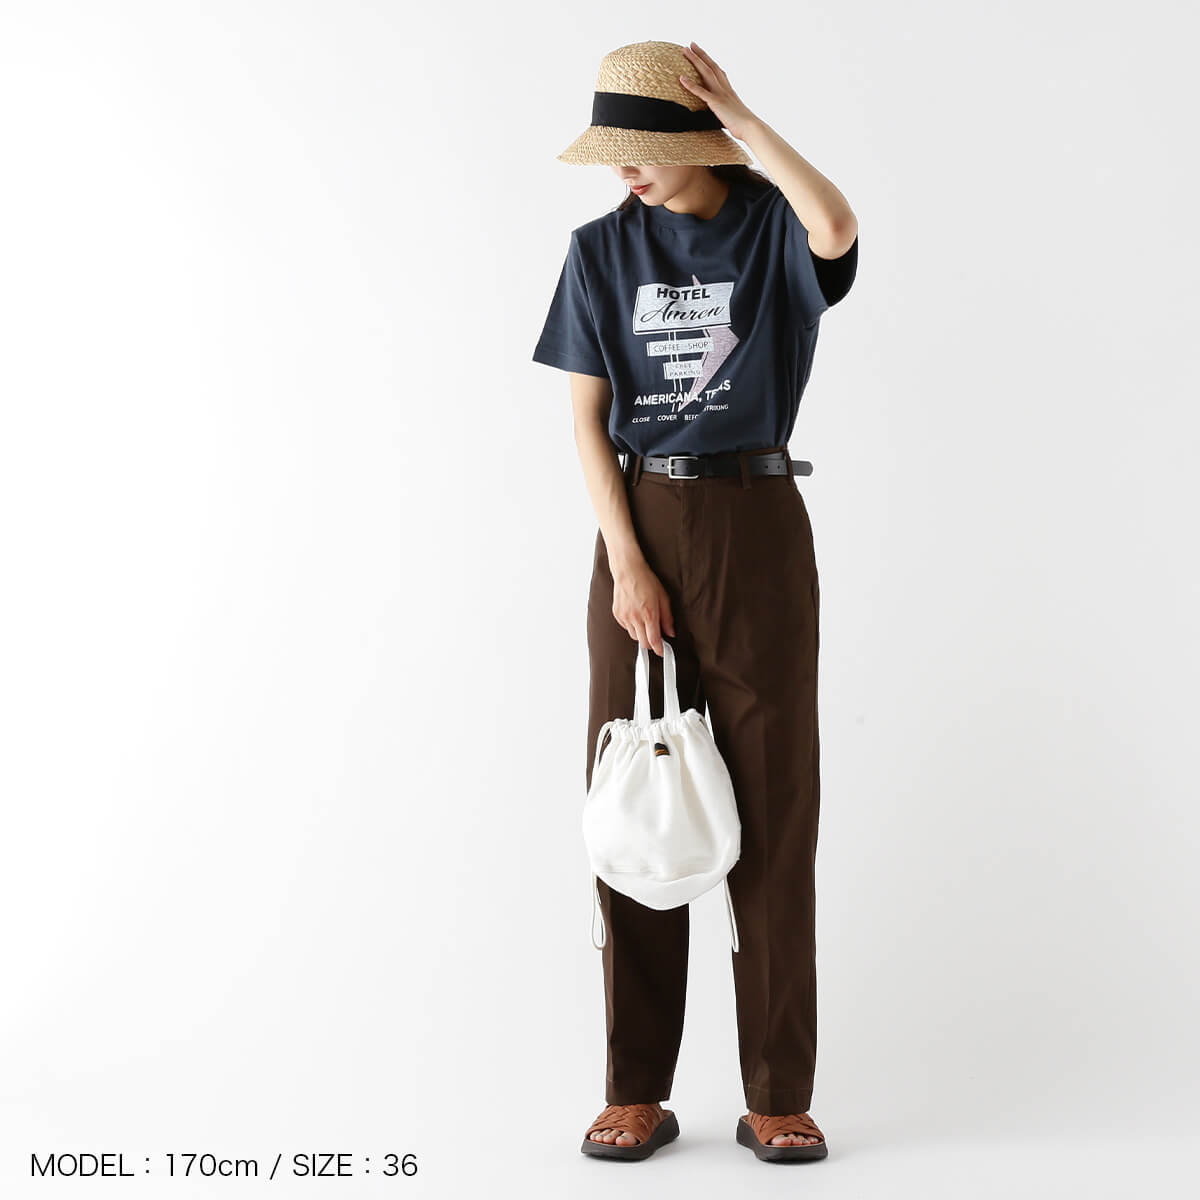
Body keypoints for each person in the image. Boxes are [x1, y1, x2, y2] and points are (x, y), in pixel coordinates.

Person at [531, 39, 858, 1164]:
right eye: (613, 152)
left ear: (699, 139)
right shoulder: (599, 250)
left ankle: (778, 1093)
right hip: (643, 526)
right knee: (636, 802)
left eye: (644, 148)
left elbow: (837, 226)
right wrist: (627, 562)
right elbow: (586, 422)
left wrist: (746, 122)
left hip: (758, 521)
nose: (624, 169)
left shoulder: (770, 227)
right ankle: (636, 1090)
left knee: (775, 809)